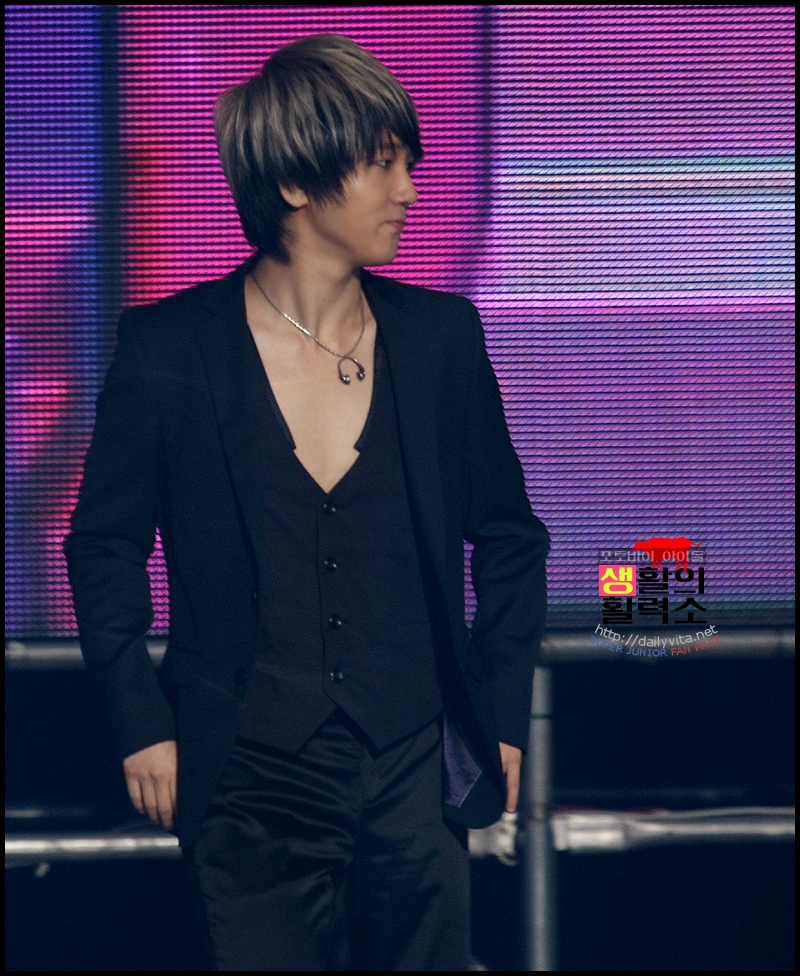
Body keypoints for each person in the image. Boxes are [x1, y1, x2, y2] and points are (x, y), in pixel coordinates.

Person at [65, 33, 549, 971]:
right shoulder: (169, 348)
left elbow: (510, 537)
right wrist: (141, 720)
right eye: (383, 164)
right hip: (248, 772)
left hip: (413, 764)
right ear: (295, 182)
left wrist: (497, 711)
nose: (409, 191)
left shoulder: (440, 338)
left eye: (409, 164)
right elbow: (103, 546)